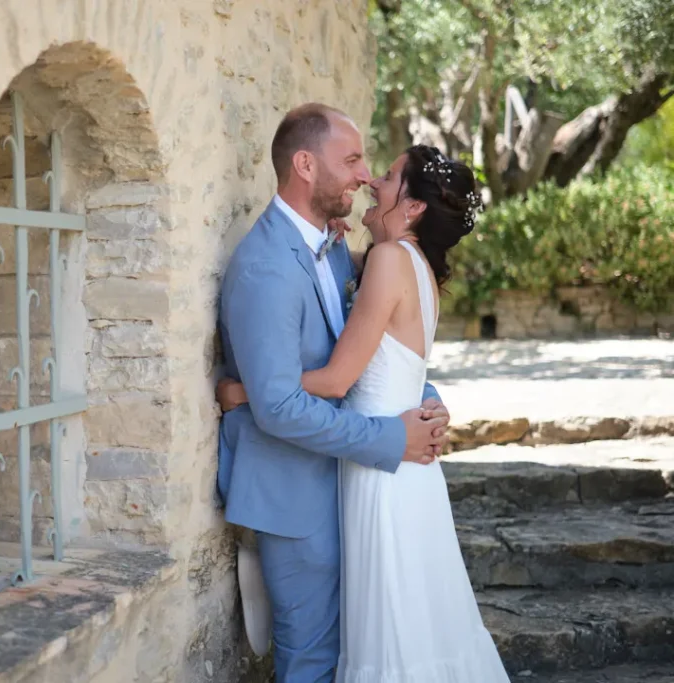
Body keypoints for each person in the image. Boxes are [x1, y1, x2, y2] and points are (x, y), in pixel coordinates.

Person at [217, 139, 511, 682]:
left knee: (387, 635)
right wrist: (429, 401)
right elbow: (400, 364)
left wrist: (244, 391)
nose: (372, 180)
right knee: (408, 629)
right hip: (390, 472)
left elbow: (336, 379)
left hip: (381, 474)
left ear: (414, 206)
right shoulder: (410, 264)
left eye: (388, 175)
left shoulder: (388, 260)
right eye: (357, 163)